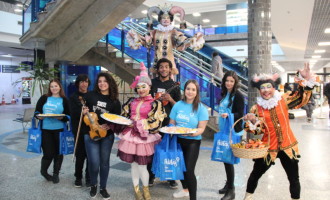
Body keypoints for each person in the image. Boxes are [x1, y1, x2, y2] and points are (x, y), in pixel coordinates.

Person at [243, 63, 318, 200]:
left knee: (294, 178)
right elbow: (256, 131)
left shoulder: (283, 100)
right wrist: (252, 121)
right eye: (262, 88)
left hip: (288, 146)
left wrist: (303, 79)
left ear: (274, 87)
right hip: (268, 147)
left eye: (268, 87)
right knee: (255, 174)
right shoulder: (256, 108)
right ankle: (248, 197)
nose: (266, 90)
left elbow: (301, 98)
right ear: (259, 90)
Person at [116, 62, 166, 200]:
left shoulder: (155, 103)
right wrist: (126, 123)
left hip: (145, 137)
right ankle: (137, 190)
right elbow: (124, 117)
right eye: (138, 87)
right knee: (134, 165)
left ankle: (146, 190)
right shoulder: (131, 101)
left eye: (143, 87)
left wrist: (137, 124)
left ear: (149, 87)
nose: (141, 90)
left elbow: (156, 121)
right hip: (131, 136)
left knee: (143, 166)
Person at [126, 4, 205, 77]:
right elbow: (146, 42)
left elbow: (182, 42)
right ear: (160, 20)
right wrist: (136, 37)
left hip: (169, 65)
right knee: (156, 84)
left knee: (169, 84)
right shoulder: (154, 32)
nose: (166, 20)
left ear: (171, 20)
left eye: (168, 18)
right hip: (157, 64)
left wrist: (193, 40)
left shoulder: (173, 32)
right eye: (163, 18)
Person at [82, 72, 121, 200]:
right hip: (91, 133)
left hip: (107, 135)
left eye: (105, 81)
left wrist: (109, 126)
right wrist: (83, 112)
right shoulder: (90, 96)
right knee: (94, 162)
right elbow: (81, 111)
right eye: (99, 81)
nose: (102, 83)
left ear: (109, 83)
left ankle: (103, 187)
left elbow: (117, 120)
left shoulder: (114, 101)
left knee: (104, 163)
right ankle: (93, 185)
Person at [169, 79, 209, 200]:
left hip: (193, 141)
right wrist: (173, 129)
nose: (190, 92)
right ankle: (185, 189)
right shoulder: (177, 105)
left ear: (196, 92)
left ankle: (193, 197)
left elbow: (201, 128)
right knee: (179, 167)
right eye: (188, 89)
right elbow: (171, 123)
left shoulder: (201, 108)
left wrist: (191, 132)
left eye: (193, 89)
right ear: (184, 90)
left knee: (189, 170)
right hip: (178, 140)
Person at [148, 58, 182, 188]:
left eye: (166, 67)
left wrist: (170, 99)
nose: (163, 69)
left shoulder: (174, 85)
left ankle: (170, 176)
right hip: (153, 122)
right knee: (151, 149)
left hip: (168, 122)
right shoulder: (152, 83)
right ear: (157, 69)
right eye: (161, 67)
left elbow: (179, 107)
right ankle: (151, 175)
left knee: (168, 149)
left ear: (170, 69)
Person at [35, 79, 70, 184]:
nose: (54, 88)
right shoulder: (44, 98)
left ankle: (56, 173)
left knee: (59, 153)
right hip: (46, 129)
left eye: (56, 86)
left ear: (60, 87)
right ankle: (44, 171)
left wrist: (62, 118)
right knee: (48, 153)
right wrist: (38, 116)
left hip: (60, 130)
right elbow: (37, 111)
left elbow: (68, 115)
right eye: (52, 86)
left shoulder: (64, 100)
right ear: (49, 88)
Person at [217, 71, 244, 200]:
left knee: (228, 161)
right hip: (224, 129)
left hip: (232, 132)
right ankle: (228, 184)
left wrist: (229, 116)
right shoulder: (224, 93)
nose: (229, 83)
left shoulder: (238, 96)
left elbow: (240, 114)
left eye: (231, 81)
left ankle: (231, 191)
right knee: (225, 159)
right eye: (227, 81)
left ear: (235, 82)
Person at [69, 74, 91, 187]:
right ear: (78, 83)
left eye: (86, 81)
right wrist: (80, 112)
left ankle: (88, 177)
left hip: (90, 129)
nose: (84, 84)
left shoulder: (91, 96)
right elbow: (72, 112)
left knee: (90, 155)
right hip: (79, 129)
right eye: (82, 81)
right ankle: (78, 177)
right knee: (80, 154)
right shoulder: (73, 97)